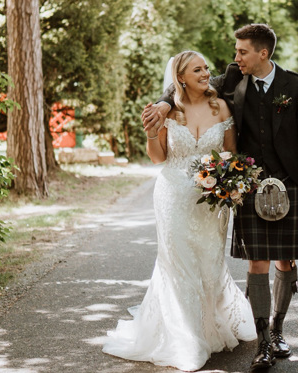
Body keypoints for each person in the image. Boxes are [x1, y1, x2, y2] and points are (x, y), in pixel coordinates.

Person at [143, 24, 298, 371]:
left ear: (262, 54)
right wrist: (164, 107)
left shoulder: (296, 85)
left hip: (291, 183)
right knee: (258, 262)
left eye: (242, 52)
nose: (235, 57)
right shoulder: (232, 79)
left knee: (286, 261)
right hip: (249, 184)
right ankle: (264, 341)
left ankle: (280, 330)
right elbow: (182, 88)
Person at [103, 50, 257, 372]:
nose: (205, 74)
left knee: (209, 261)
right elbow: (158, 157)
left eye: (206, 68)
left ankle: (209, 325)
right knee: (179, 264)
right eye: (196, 70)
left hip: (213, 199)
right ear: (181, 78)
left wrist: (228, 181)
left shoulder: (221, 106)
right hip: (173, 195)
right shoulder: (168, 112)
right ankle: (186, 338)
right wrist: (150, 132)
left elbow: (230, 153)